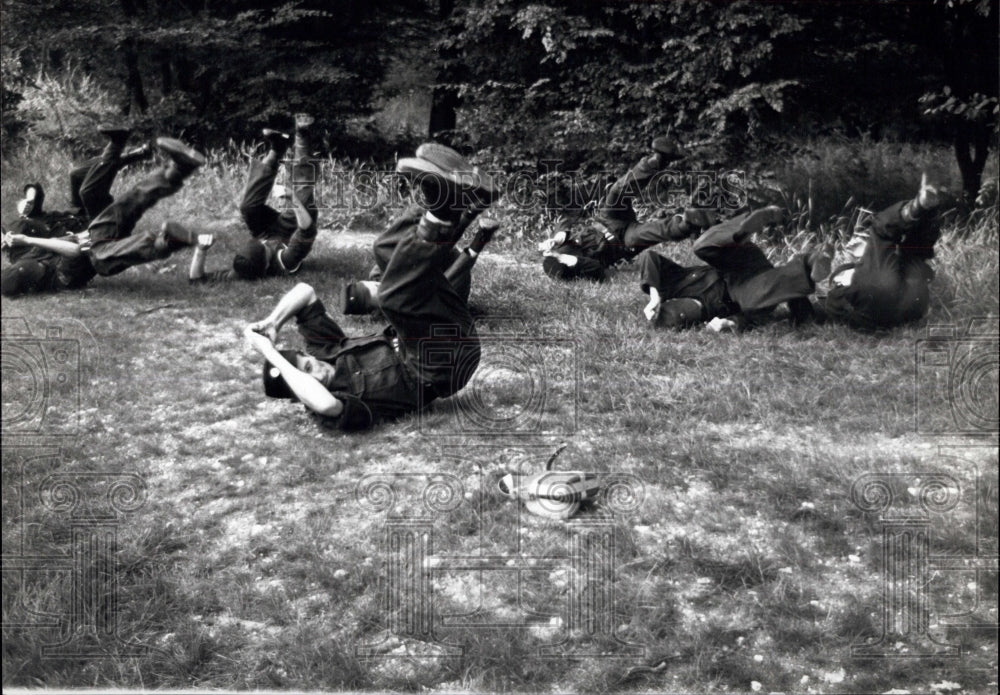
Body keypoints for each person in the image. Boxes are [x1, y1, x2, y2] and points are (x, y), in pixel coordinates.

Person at [244, 143, 499, 431]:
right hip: (443, 366)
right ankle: (443, 205)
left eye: (308, 362)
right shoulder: (331, 403)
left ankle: (459, 198)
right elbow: (325, 405)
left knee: (385, 249)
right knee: (392, 297)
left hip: (434, 333)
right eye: (307, 372)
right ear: (297, 392)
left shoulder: (324, 350)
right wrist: (270, 353)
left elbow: (305, 292)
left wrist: (273, 324)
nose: (317, 368)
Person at [1, 138, 208, 297]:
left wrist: (75, 236)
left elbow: (62, 238)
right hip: (98, 251)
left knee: (126, 203)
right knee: (102, 255)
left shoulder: (21, 241)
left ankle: (179, 169)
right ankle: (168, 240)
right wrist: (30, 240)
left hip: (92, 232)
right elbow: (73, 251)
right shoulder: (54, 277)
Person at [539, 135, 716, 282]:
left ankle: (658, 160)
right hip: (622, 242)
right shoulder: (577, 270)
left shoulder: (557, 249)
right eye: (557, 257)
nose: (557, 254)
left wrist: (557, 238)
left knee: (617, 191)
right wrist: (568, 260)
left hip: (607, 219)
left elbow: (563, 222)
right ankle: (691, 222)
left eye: (554, 255)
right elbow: (598, 271)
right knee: (653, 231)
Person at [639, 206, 831, 329]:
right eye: (689, 313)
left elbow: (650, 257)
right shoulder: (715, 312)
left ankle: (742, 230)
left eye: (679, 306)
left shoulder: (673, 283)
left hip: (735, 260)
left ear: (671, 300)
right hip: (747, 286)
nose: (691, 307)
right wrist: (729, 323)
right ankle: (811, 261)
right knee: (752, 301)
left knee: (701, 247)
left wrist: (654, 296)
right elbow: (751, 318)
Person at [189, 114, 318, 282]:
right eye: (264, 248)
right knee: (303, 198)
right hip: (293, 230)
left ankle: (277, 149)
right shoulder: (286, 261)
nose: (264, 243)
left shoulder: (243, 269)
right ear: (266, 265)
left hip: (266, 230)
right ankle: (302, 134)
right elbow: (307, 230)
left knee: (248, 208)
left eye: (259, 243)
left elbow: (196, 280)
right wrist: (292, 198)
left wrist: (200, 250)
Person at [822, 174, 945, 329]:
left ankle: (924, 209)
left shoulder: (885, 264)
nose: (852, 242)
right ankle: (919, 209)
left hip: (904, 302)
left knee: (909, 251)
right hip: (889, 302)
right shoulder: (849, 272)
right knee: (882, 233)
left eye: (861, 237)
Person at [10, 126, 152, 249]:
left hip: (78, 211)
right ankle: (118, 142)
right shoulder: (39, 243)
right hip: (96, 222)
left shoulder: (31, 219)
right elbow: (73, 242)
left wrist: (29, 199)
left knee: (76, 175)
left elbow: (35, 187)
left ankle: (136, 154)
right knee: (87, 192)